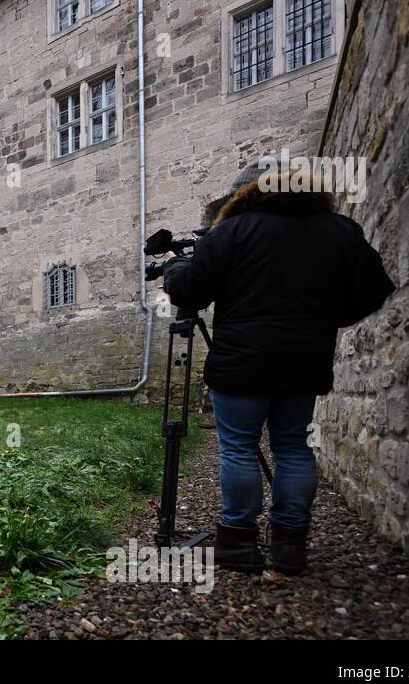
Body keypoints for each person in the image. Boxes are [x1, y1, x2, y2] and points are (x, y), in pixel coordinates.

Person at [163, 161, 395, 576]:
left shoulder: (233, 231)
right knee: (293, 446)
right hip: (305, 359)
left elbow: (191, 290)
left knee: (238, 447)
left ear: (247, 191)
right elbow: (376, 288)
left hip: (242, 360)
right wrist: (327, 318)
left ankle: (238, 542)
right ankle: (290, 545)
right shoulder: (340, 230)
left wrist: (176, 269)